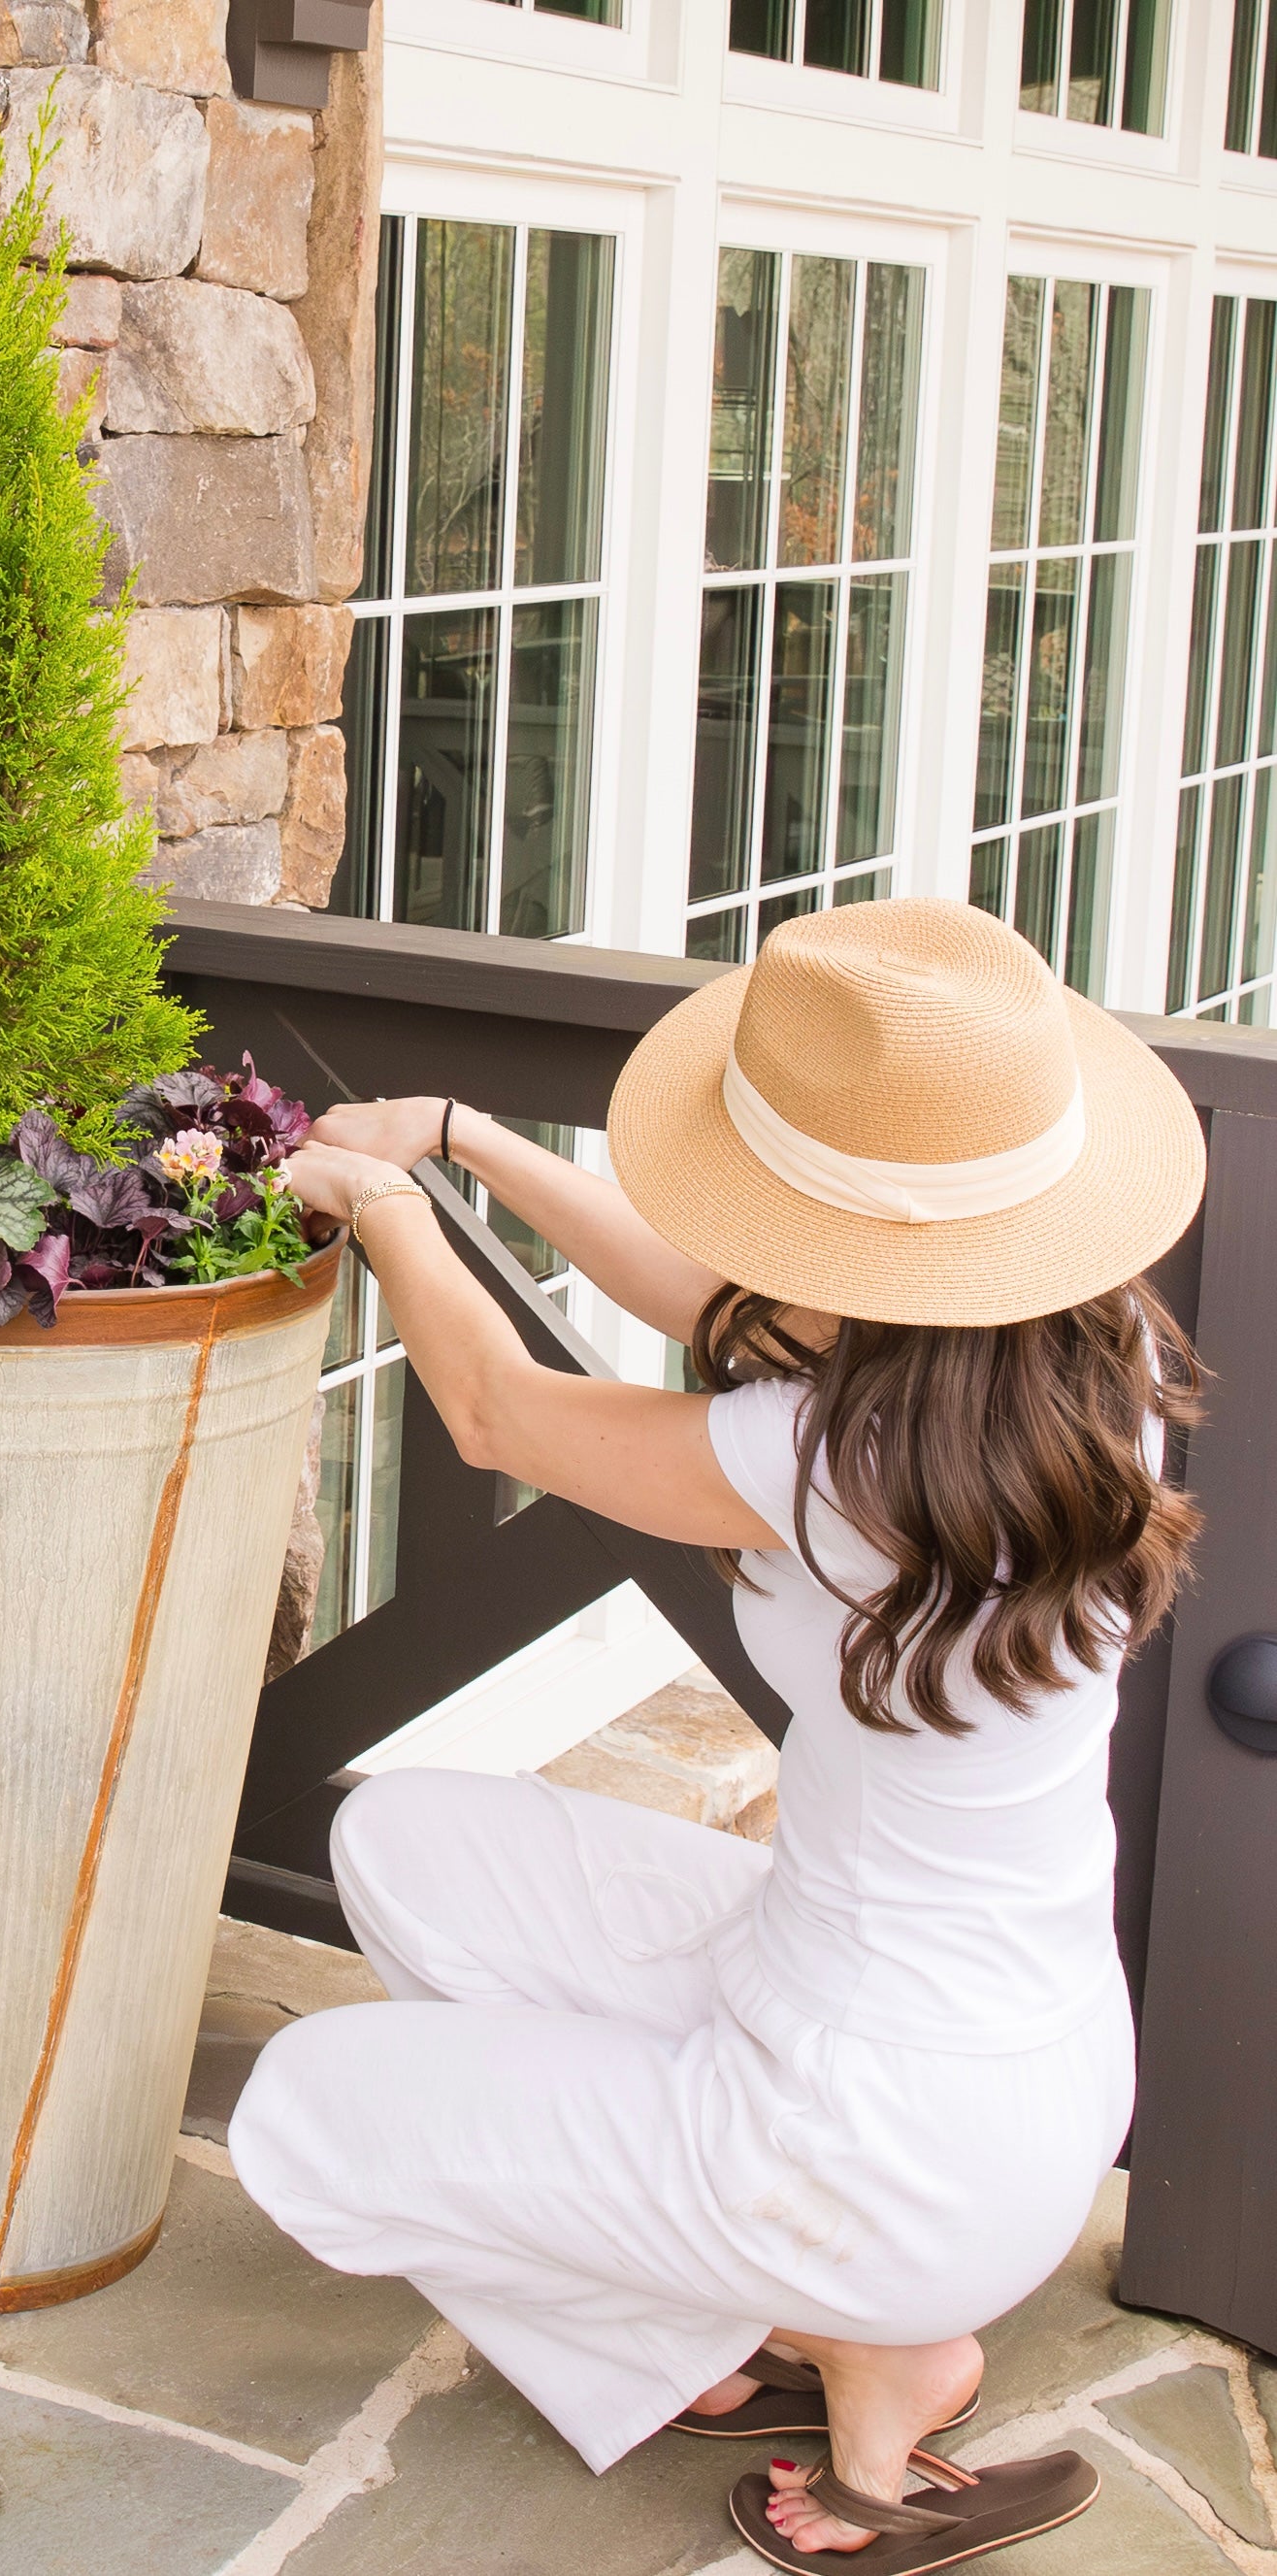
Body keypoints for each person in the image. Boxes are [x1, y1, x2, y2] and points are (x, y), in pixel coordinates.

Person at [237, 899, 1206, 2574]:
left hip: (873, 2138)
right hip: (1013, 2062)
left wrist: (384, 1201)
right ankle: (855, 2319)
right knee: (395, 1840)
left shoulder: (834, 1460)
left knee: (307, 2109)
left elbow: (497, 1411)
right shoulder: (1075, 1358)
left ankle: (808, 2342)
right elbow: (725, 1308)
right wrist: (471, 1139)